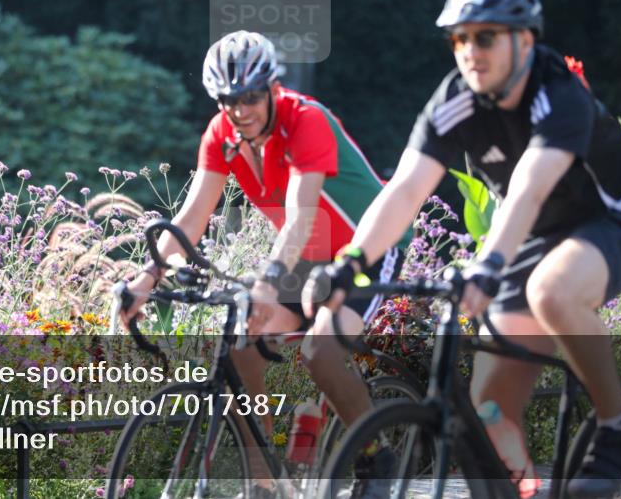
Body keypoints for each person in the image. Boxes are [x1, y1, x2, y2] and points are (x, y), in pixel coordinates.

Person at [306, 0, 621, 498]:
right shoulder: (455, 101)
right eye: (459, 39)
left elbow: (528, 188)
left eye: (485, 36)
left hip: (613, 221)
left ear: (524, 39)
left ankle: (617, 427)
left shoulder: (555, 91)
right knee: (491, 406)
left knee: (551, 291)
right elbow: (405, 190)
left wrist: (490, 263)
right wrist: (350, 261)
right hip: (533, 238)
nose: (470, 51)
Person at [118, 30, 407, 498]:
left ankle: (376, 456)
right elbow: (192, 216)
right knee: (238, 344)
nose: (240, 110)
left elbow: (300, 217)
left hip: (365, 249)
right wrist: (147, 277)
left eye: (251, 97)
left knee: (321, 351)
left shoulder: (306, 121)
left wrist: (268, 284)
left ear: (273, 89)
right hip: (308, 256)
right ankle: (265, 483)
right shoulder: (222, 134)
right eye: (227, 100)